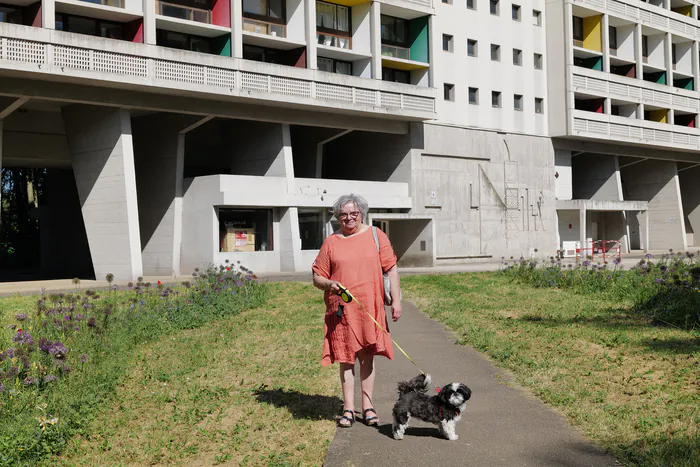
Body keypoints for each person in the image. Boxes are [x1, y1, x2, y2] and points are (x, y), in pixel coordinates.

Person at [312, 193, 402, 428]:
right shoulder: (331, 242)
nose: (349, 218)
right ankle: (348, 409)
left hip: (370, 307)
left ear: (361, 213)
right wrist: (330, 284)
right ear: (337, 217)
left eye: (353, 213)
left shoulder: (375, 235)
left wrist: (397, 301)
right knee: (345, 359)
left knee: (367, 357)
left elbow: (391, 268)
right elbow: (317, 276)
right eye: (343, 214)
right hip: (341, 310)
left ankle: (368, 406)